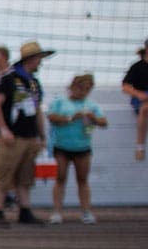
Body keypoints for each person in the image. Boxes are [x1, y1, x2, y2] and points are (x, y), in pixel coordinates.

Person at [0, 40, 50, 228]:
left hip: (29, 136)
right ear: (31, 59)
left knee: (25, 176)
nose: (41, 62)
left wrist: (42, 135)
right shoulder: (8, 79)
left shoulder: (33, 83)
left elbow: (37, 110)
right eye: (39, 58)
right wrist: (4, 130)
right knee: (3, 175)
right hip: (11, 137)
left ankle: (25, 210)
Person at [45, 72, 105, 225]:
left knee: (83, 179)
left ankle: (86, 211)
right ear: (72, 87)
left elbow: (103, 122)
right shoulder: (60, 102)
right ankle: (57, 211)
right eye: (79, 88)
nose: (82, 92)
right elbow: (51, 117)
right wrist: (71, 117)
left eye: (86, 89)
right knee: (60, 178)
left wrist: (93, 118)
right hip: (62, 146)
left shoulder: (91, 105)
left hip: (83, 147)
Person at [122, 40, 148, 163]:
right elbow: (125, 86)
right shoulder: (137, 67)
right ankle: (140, 146)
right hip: (141, 97)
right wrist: (138, 94)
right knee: (145, 109)